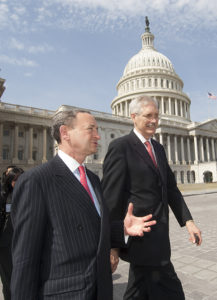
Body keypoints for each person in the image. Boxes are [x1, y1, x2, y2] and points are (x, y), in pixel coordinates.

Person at [11, 109, 156, 300]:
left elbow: (89, 230)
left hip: (100, 289)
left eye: (97, 129)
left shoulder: (93, 180)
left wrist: (121, 229)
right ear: (65, 133)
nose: (98, 136)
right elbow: (25, 260)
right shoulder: (36, 180)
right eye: (91, 129)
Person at [102, 95, 202, 300]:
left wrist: (188, 221)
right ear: (133, 117)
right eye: (148, 115)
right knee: (171, 291)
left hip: (159, 237)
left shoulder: (158, 148)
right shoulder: (121, 147)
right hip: (140, 236)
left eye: (156, 115)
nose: (154, 120)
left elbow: (171, 189)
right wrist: (112, 244)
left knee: (139, 290)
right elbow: (111, 199)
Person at [0, 167, 23, 300]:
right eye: (15, 180)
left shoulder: (28, 194)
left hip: (23, 242)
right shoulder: (3, 195)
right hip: (6, 244)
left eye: (21, 179)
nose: (18, 182)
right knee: (8, 280)